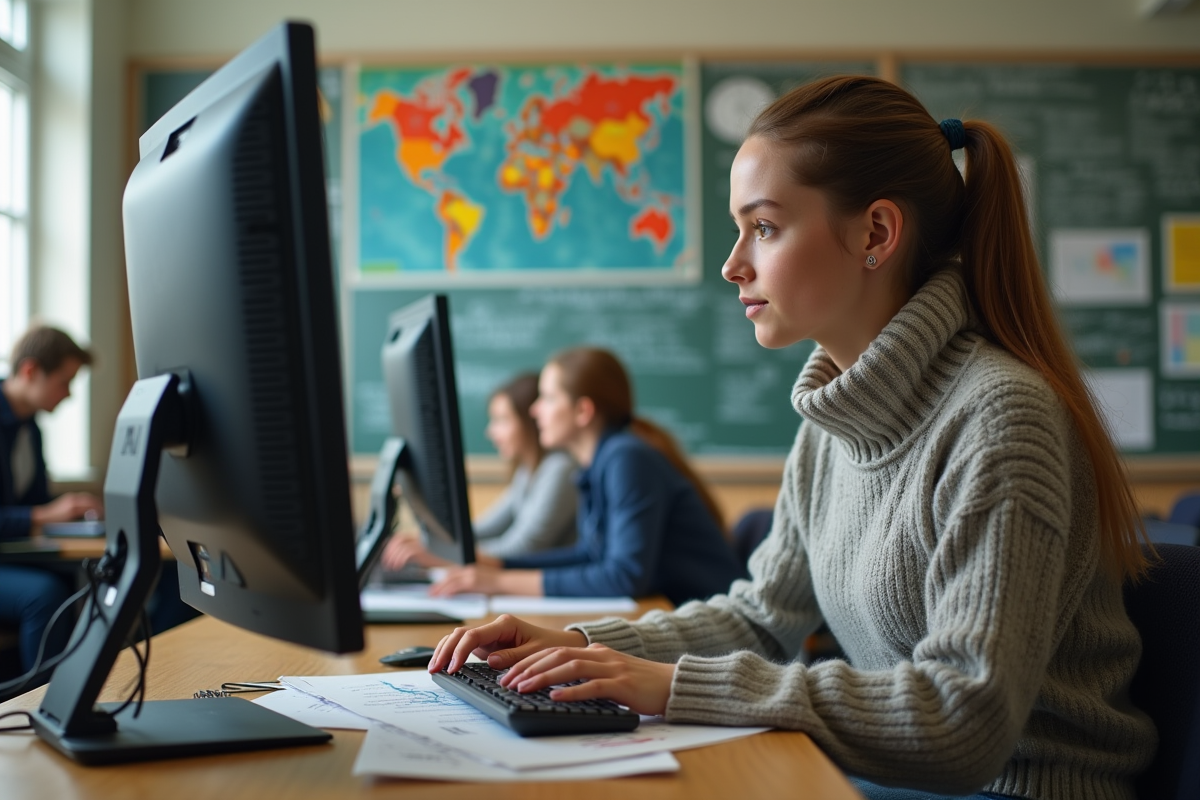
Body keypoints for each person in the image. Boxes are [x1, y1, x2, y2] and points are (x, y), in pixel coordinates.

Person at [428, 76, 1157, 800]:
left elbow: (963, 719)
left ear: (875, 232)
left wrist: (674, 686)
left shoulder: (1001, 419)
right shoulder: (834, 424)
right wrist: (584, 646)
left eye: (765, 227)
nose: (732, 263)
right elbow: (760, 618)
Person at [428, 347, 747, 606]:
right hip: (673, 613)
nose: (536, 411)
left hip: (715, 626)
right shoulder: (599, 462)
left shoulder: (626, 458)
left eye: (549, 398)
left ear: (583, 411)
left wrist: (500, 582)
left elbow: (624, 576)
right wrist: (500, 566)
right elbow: (591, 554)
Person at [381, 372, 577, 568]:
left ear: (531, 420)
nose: (491, 431)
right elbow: (483, 529)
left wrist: (441, 557)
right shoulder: (527, 472)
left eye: (502, 420)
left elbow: (522, 548)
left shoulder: (560, 468)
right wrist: (426, 542)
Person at [0, 325, 103, 674]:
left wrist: (69, 512)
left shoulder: (31, 430)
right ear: (30, 371)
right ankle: (38, 705)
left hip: (12, 552)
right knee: (44, 594)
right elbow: (37, 510)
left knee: (98, 576)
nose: (69, 394)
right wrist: (47, 513)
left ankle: (87, 686)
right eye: (65, 381)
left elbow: (37, 502)